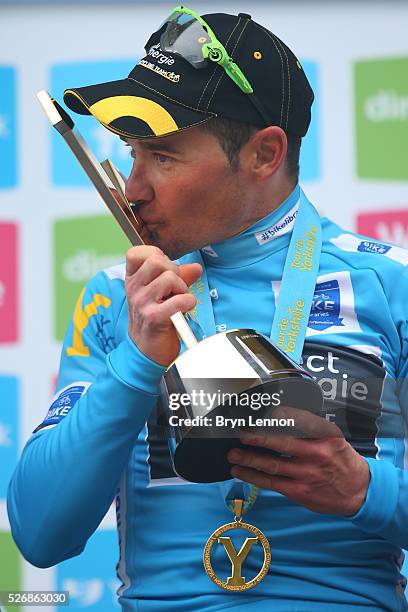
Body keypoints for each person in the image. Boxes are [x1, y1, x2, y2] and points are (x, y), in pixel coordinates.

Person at [7, 6, 408, 611]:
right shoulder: (116, 296)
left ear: (264, 155)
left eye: (162, 157)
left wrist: (364, 489)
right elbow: (40, 533)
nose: (134, 188)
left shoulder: (388, 283)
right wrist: (137, 364)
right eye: (132, 154)